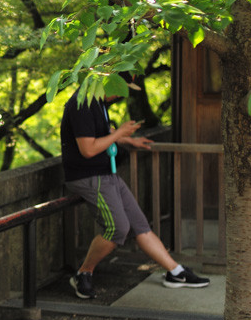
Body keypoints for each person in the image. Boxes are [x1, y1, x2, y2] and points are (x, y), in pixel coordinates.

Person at [61, 89, 210, 298]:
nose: (120, 95)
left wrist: (129, 141)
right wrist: (118, 134)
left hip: (107, 174)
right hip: (89, 177)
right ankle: (83, 273)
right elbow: (88, 149)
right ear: (110, 80)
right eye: (121, 88)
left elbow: (102, 133)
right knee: (117, 228)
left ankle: (176, 272)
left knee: (140, 225)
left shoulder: (98, 102)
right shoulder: (81, 103)